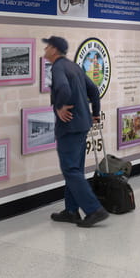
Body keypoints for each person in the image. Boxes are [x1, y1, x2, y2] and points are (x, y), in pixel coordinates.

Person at [43, 36, 108, 228]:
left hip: (69, 126)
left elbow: (62, 88)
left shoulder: (58, 67)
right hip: (82, 125)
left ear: (54, 50)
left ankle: (94, 209)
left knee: (70, 169)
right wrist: (95, 113)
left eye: (47, 46)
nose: (45, 49)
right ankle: (71, 211)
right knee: (75, 169)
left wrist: (60, 107)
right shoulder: (74, 67)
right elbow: (94, 90)